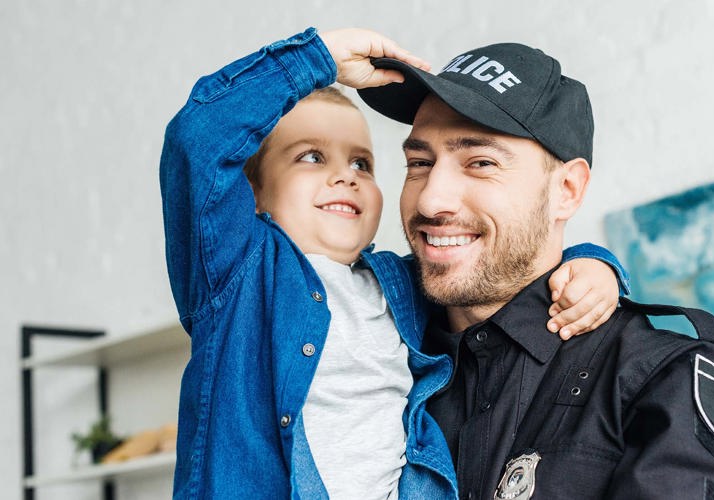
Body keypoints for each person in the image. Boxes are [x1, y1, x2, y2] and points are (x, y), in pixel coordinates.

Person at [160, 28, 630, 499]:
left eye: (362, 164)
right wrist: (314, 60)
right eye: (311, 157)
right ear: (253, 193)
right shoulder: (235, 276)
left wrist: (593, 263)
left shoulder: (396, 286)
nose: (344, 175)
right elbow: (197, 141)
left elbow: (489, 265)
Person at [358, 42, 714, 499]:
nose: (430, 200)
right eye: (420, 163)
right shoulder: (371, 352)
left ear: (567, 189)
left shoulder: (668, 381)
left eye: (480, 163)